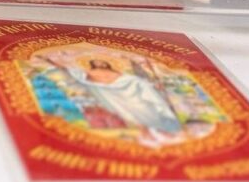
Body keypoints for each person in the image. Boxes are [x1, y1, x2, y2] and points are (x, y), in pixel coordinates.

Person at [42, 55, 182, 142]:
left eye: (102, 62)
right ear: (92, 64)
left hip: (130, 93)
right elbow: (76, 74)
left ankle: (163, 131)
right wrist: (53, 62)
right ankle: (146, 133)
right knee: (128, 115)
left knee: (146, 110)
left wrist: (146, 83)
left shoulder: (120, 74)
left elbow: (131, 80)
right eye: (97, 63)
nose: (100, 65)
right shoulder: (89, 73)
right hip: (110, 95)